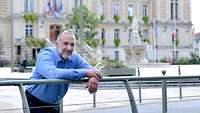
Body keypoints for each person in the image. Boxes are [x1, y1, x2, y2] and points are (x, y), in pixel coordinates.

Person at [25, 29, 102, 113]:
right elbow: (52, 73)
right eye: (65, 43)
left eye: (72, 45)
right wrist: (86, 73)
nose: (69, 48)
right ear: (57, 44)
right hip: (35, 101)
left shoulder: (74, 57)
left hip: (55, 103)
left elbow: (92, 70)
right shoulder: (46, 54)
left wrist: (94, 77)